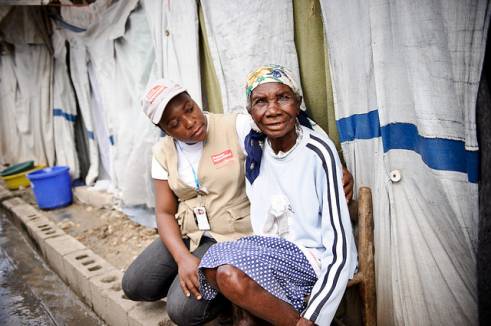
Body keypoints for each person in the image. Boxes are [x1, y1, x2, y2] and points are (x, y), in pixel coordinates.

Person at [122, 77, 354, 325]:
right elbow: (165, 213)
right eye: (175, 123)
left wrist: (335, 162)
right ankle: (200, 283)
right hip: (191, 231)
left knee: (181, 310)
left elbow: (291, 120)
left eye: (189, 109)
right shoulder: (163, 152)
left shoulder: (235, 126)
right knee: (135, 285)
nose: (190, 123)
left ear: (192, 99)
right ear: (164, 129)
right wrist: (182, 259)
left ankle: (236, 300)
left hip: (230, 235)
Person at [198, 65, 358, 325]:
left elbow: (340, 250)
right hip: (268, 251)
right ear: (250, 112)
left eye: (282, 98)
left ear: (297, 103)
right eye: (261, 102)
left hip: (310, 256)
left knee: (228, 276)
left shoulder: (318, 153)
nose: (272, 110)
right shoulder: (255, 143)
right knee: (212, 266)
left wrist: (314, 316)